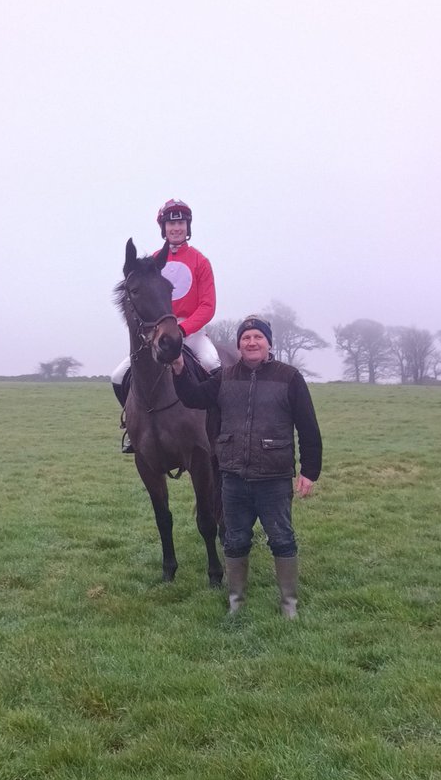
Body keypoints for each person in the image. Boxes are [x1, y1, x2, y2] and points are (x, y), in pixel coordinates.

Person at [171, 316, 322, 617]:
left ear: (268, 343)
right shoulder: (224, 377)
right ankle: (235, 602)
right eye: (246, 338)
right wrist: (178, 368)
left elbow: (307, 426)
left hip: (274, 476)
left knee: (281, 538)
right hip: (233, 476)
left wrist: (309, 470)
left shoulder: (289, 377)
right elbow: (193, 396)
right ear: (239, 345)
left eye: (257, 337)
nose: (252, 343)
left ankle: (289, 604)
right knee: (235, 538)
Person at [112, 199, 220, 451]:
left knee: (214, 365)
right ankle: (133, 429)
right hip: (156, 331)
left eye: (180, 222)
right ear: (164, 227)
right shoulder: (151, 263)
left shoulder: (200, 261)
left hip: (189, 330)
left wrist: (183, 329)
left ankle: (219, 427)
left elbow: (208, 306)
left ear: (187, 226)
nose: (176, 228)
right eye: (171, 222)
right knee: (118, 376)